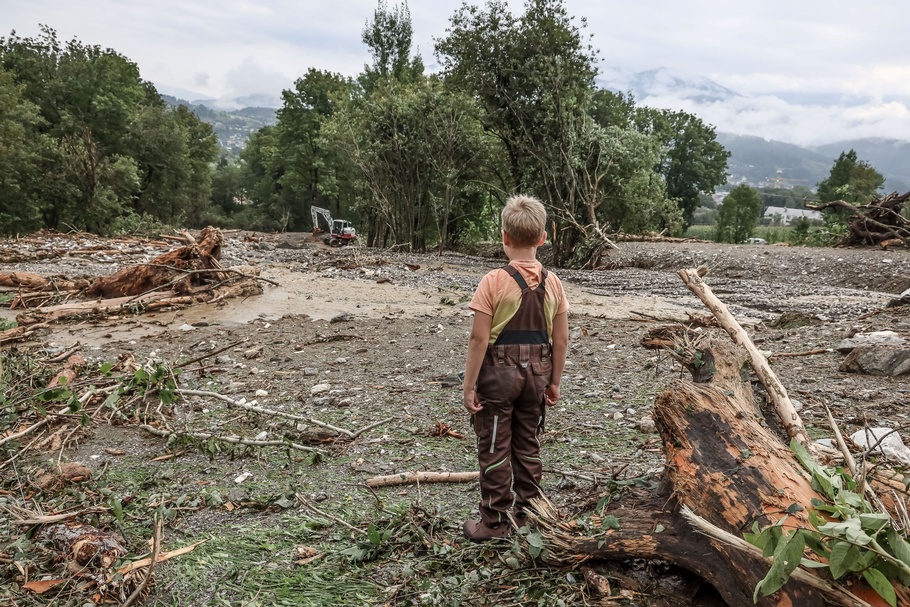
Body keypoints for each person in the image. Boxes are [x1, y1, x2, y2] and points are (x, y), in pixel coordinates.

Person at [461, 194, 569, 541]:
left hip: (498, 375)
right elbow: (562, 341)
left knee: (494, 444)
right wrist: (554, 382)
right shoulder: (554, 283)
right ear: (543, 238)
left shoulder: (492, 281)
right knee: (528, 443)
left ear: (504, 236)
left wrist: (468, 386)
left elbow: (479, 341)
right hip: (537, 374)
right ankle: (530, 515)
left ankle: (492, 523)